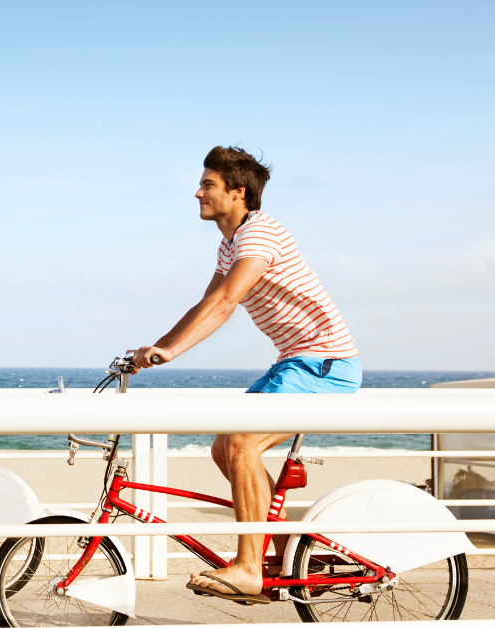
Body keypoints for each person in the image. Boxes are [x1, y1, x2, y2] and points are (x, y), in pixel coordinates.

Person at [132, 146, 361, 605]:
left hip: (323, 366)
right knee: (226, 446)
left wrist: (171, 351)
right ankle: (285, 552)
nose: (197, 193)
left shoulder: (259, 234)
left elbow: (226, 302)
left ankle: (248, 568)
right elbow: (204, 304)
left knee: (242, 443)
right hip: (296, 362)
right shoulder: (231, 242)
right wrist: (152, 349)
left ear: (238, 192)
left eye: (208, 185)